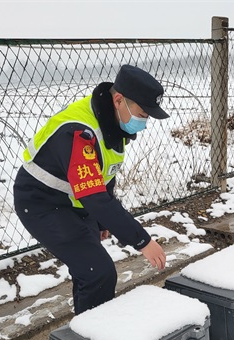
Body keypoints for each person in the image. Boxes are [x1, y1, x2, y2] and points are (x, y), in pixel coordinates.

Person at [14, 65, 168, 315]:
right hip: (41, 202)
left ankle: (88, 334)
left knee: (91, 272)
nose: (145, 121)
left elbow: (104, 174)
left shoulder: (112, 120)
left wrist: (98, 222)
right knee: (98, 273)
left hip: (74, 201)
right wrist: (143, 241)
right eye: (143, 114)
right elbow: (94, 196)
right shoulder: (79, 133)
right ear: (119, 100)